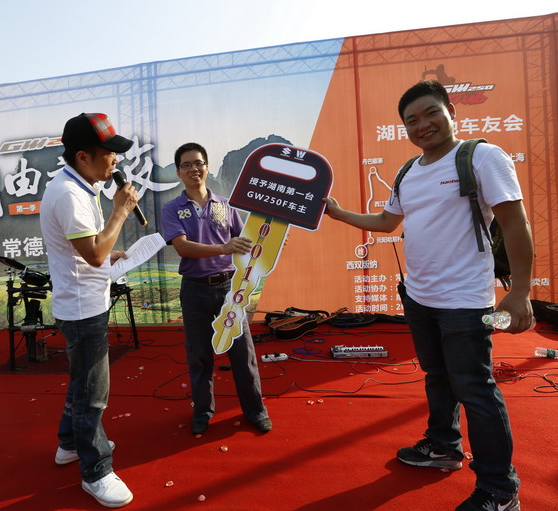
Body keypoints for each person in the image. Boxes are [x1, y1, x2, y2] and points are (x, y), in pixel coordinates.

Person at [323, 81, 533, 511]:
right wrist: (340, 213)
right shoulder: (408, 171)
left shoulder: (481, 157)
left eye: (431, 113)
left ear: (451, 111)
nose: (423, 125)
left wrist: (520, 293)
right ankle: (443, 446)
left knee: (475, 388)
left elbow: (515, 223)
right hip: (419, 298)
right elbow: (387, 222)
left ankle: (500, 489)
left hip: (465, 302)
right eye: (412, 120)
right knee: (437, 376)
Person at [39, 113, 139, 508]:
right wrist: (121, 212)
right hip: (82, 309)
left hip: (84, 301)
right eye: (108, 153)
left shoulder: (79, 187)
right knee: (93, 394)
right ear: (83, 156)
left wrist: (109, 251)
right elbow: (94, 254)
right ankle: (96, 471)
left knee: (83, 383)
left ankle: (69, 443)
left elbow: (90, 250)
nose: (115, 160)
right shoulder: (69, 194)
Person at [161, 142, 272, 436]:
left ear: (207, 167)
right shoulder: (172, 209)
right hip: (194, 290)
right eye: (186, 165)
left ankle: (256, 410)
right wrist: (223, 247)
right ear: (178, 172)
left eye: (198, 163)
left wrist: (269, 243)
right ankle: (203, 411)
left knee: (242, 353)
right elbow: (183, 248)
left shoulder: (225, 205)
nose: (193, 169)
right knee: (199, 355)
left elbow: (244, 242)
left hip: (228, 288)